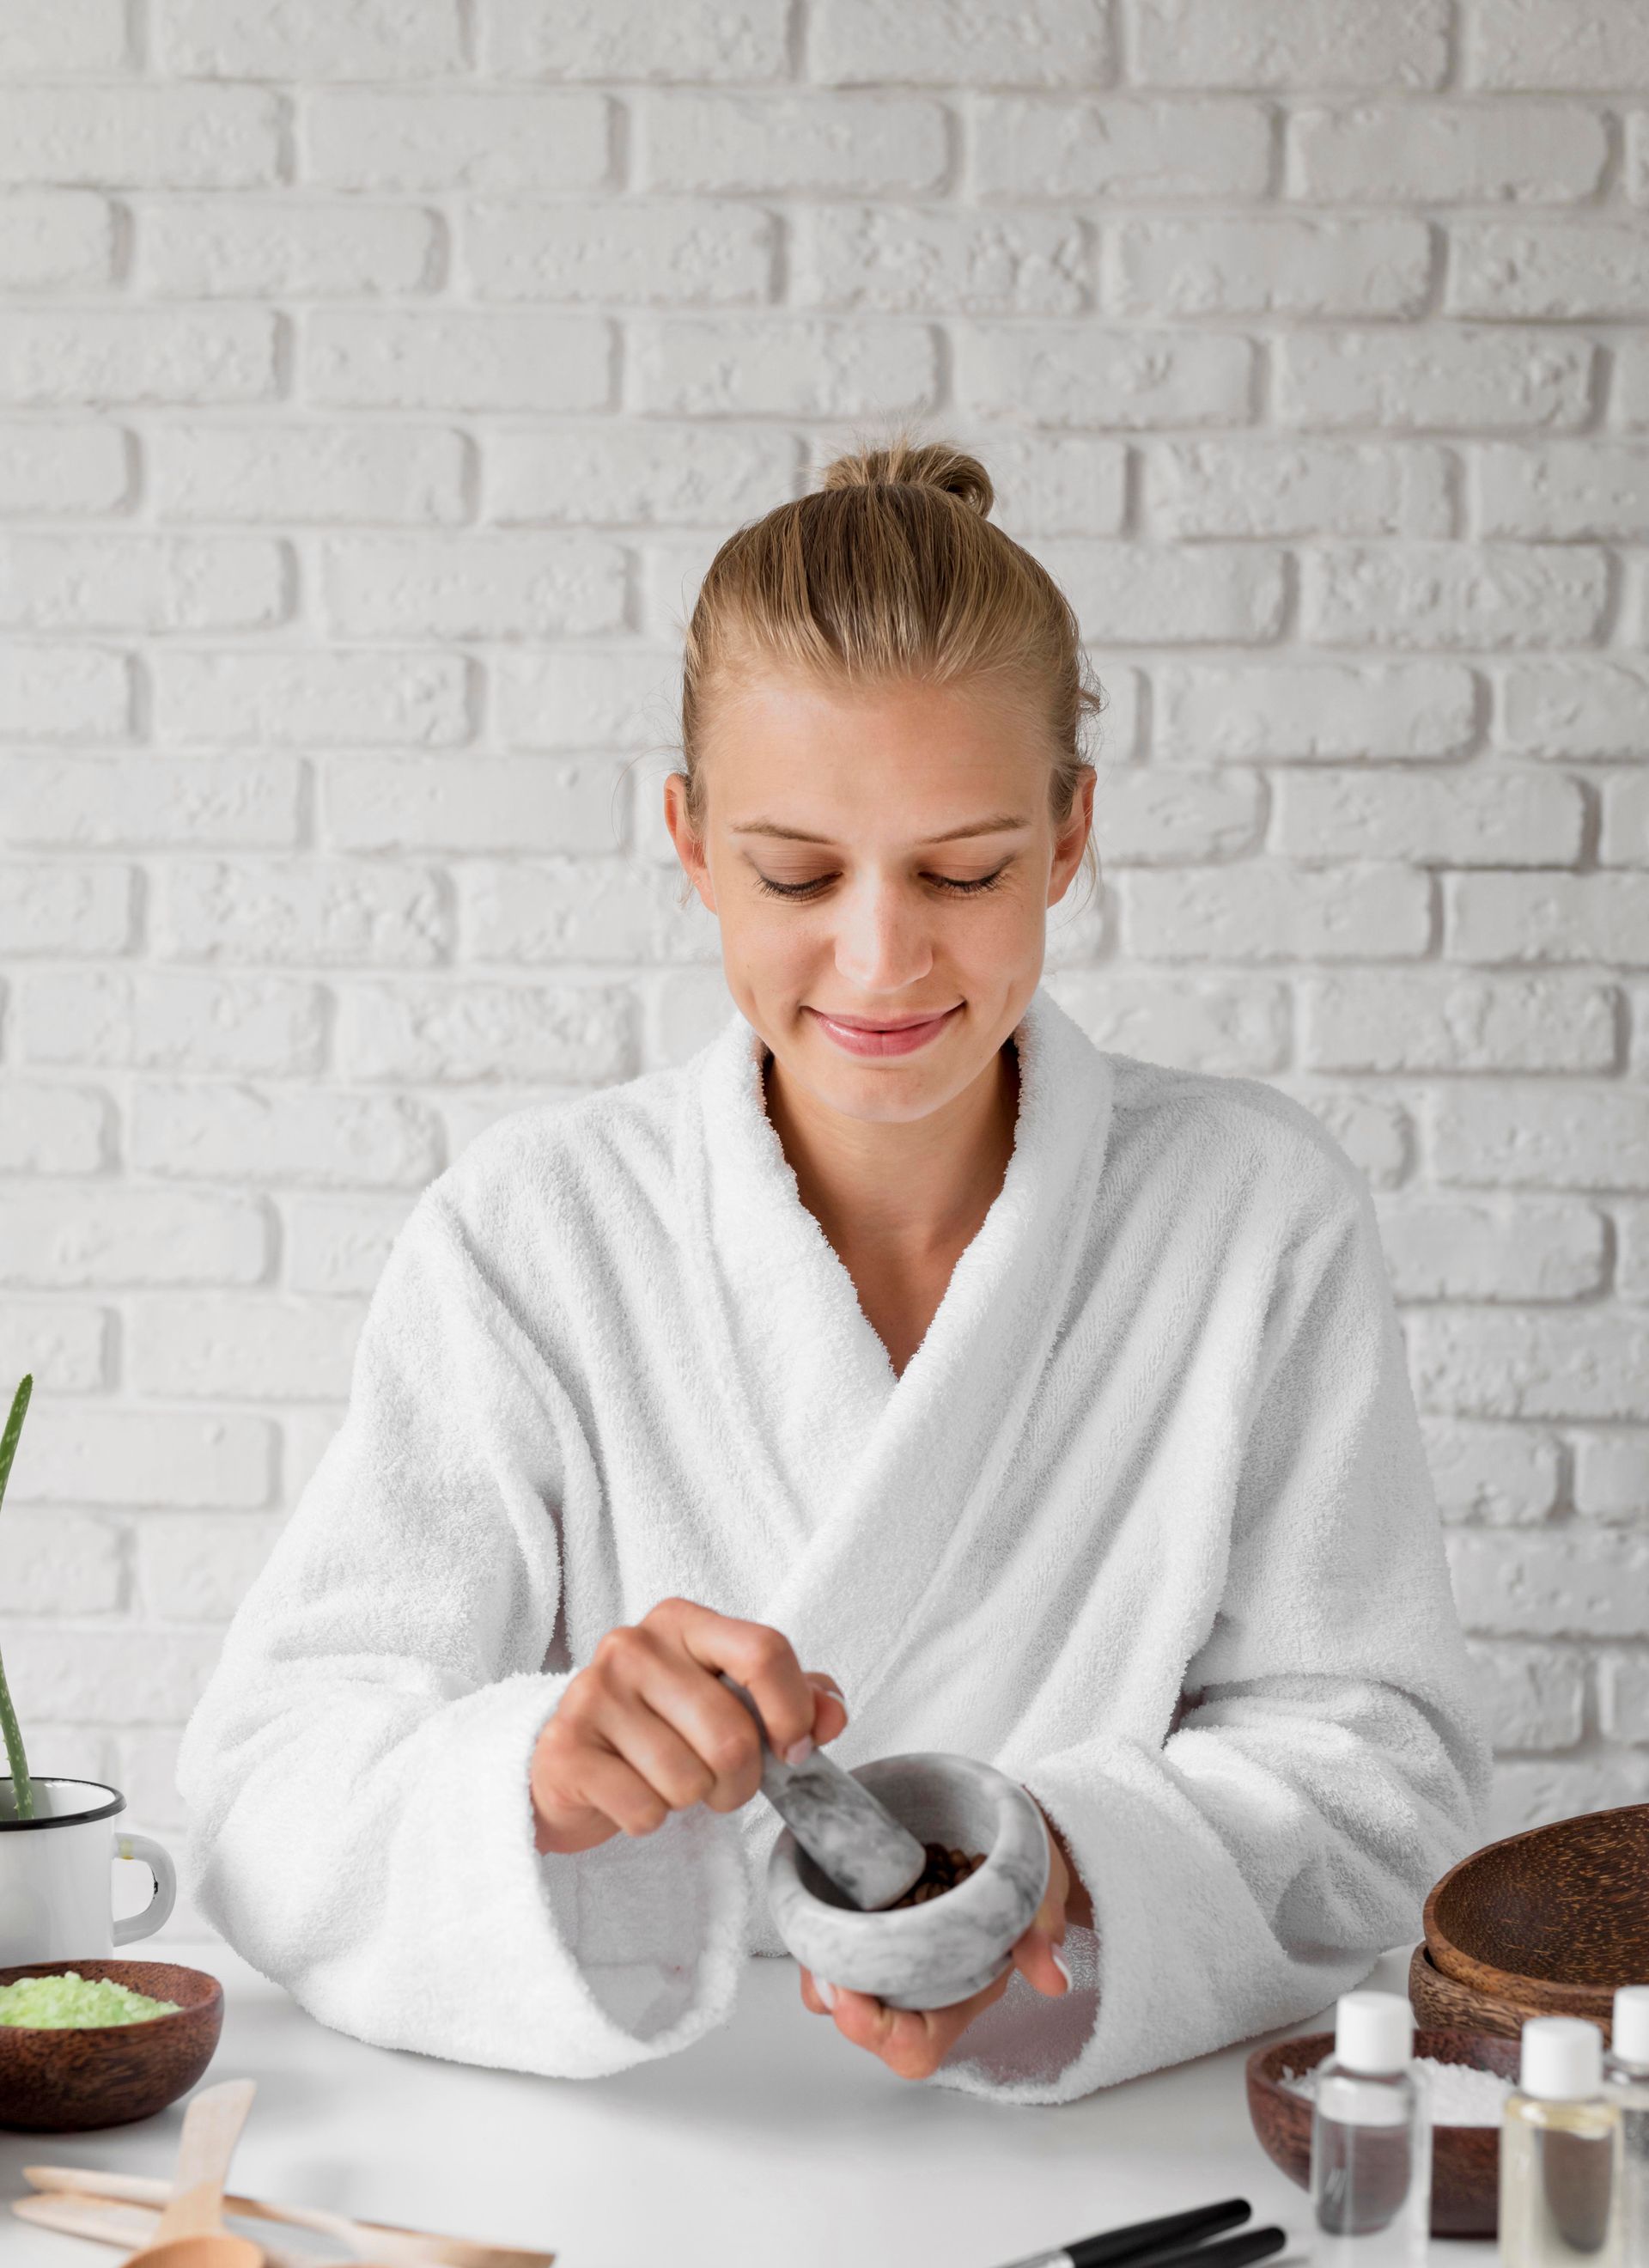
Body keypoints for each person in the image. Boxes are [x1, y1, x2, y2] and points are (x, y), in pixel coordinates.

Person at [176, 430, 1489, 2106]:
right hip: (654, 2135)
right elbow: (265, 1790)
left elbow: (1385, 1773)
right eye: (798, 872)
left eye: (965, 869)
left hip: (1120, 2113)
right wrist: (545, 1778)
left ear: (1072, 833)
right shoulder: (532, 1230)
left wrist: (1067, 1862)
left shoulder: (1251, 1214)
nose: (881, 956)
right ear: (692, 838)